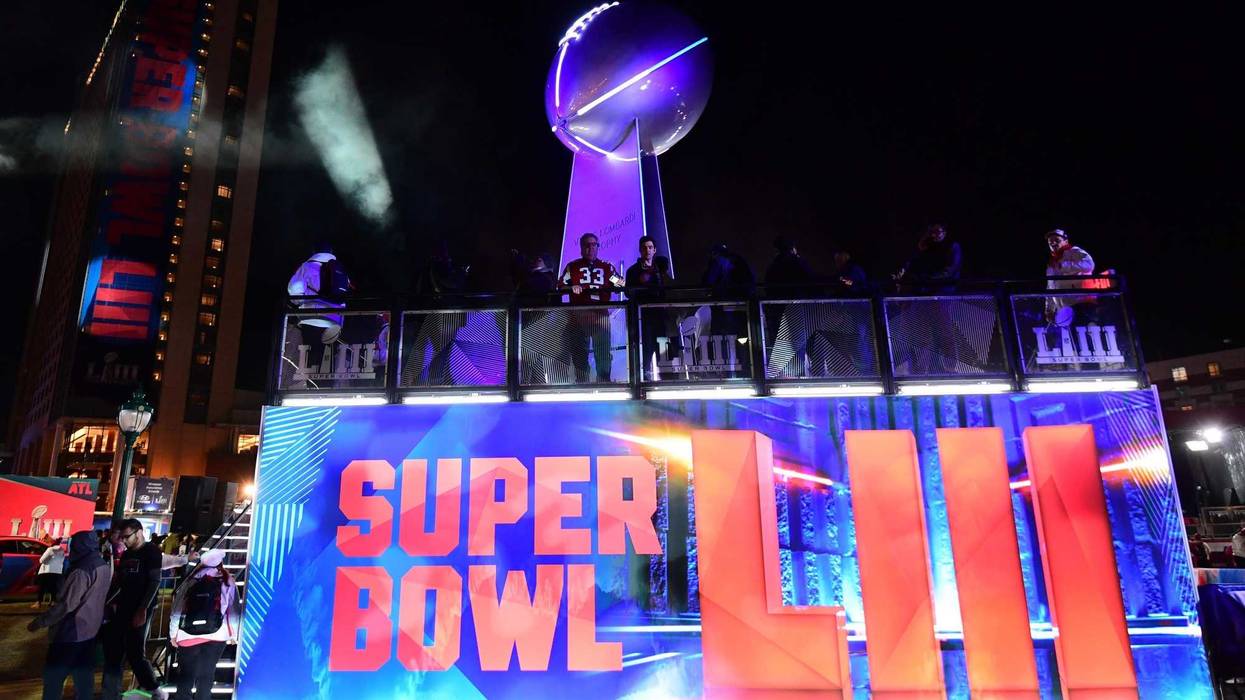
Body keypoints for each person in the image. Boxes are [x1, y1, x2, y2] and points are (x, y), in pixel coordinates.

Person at [28, 531, 112, 700]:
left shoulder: (81, 571)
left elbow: (67, 605)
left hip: (70, 633)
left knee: (53, 680)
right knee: (83, 681)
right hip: (90, 632)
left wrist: (41, 621)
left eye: (74, 546)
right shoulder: (102, 565)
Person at [101, 520, 167, 700]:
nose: (124, 541)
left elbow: (154, 581)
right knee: (115, 651)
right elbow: (120, 582)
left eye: (127, 537)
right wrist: (110, 601)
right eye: (122, 537)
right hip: (123, 607)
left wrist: (143, 608)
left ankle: (154, 689)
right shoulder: (127, 554)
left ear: (138, 533)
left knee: (135, 651)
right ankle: (111, 693)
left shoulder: (151, 551)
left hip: (140, 608)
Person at [170, 550, 239, 700]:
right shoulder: (227, 581)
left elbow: (176, 610)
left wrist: (173, 634)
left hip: (187, 634)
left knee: (186, 675)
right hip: (217, 635)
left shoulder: (191, 580)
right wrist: (234, 634)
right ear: (220, 563)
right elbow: (233, 611)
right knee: (207, 675)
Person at [559, 233, 624, 382]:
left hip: (600, 316)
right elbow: (561, 285)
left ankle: (604, 382)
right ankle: (583, 383)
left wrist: (620, 283)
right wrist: (571, 287)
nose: (591, 248)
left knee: (603, 352)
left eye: (594, 244)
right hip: (578, 316)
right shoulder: (573, 267)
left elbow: (620, 284)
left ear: (598, 247)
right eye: (587, 245)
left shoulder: (606, 267)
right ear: (581, 247)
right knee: (579, 353)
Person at [625, 236, 675, 380]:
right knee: (645, 350)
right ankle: (645, 381)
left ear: (654, 250)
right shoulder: (633, 271)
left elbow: (669, 289)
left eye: (650, 247)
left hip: (661, 316)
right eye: (644, 247)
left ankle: (667, 379)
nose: (647, 250)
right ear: (640, 250)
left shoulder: (660, 269)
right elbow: (628, 292)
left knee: (664, 349)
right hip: (643, 318)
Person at [286, 242, 353, 344]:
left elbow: (294, 287)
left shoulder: (308, 266)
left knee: (305, 348)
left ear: (314, 252)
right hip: (335, 319)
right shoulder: (341, 270)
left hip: (310, 316)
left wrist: (299, 303)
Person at [1043, 228, 1097, 326]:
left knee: (1087, 332)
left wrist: (1064, 265)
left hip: (1081, 305)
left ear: (1066, 241)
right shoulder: (1051, 263)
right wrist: (1049, 310)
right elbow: (1050, 288)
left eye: (1057, 240)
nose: (1053, 243)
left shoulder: (1074, 251)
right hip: (1064, 311)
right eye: (1050, 242)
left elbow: (1090, 264)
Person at [894, 224, 961, 293]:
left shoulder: (953, 246)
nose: (933, 235)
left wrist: (929, 278)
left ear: (944, 232)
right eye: (932, 232)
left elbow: (951, 270)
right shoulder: (930, 246)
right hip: (930, 285)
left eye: (937, 232)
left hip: (946, 286)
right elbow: (917, 261)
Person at [34, 538, 67, 608]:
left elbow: (41, 560)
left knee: (42, 587)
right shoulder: (62, 551)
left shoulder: (50, 549)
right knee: (53, 587)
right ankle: (52, 601)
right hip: (57, 571)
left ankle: (38, 602)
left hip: (46, 571)